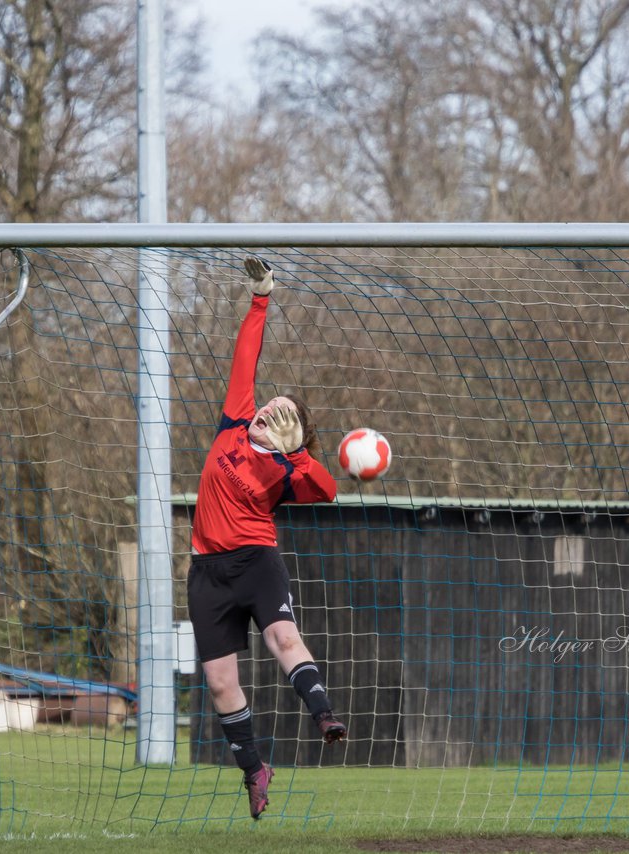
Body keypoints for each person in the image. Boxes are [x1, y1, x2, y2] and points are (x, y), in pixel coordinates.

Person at [188, 256, 345, 821]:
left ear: (291, 433)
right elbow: (245, 358)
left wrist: (298, 450)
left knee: (283, 636)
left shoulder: (287, 470)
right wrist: (261, 298)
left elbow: (327, 490)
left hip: (255, 562)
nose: (268, 413)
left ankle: (324, 714)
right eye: (269, 409)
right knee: (221, 683)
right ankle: (254, 770)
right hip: (206, 572)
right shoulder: (235, 418)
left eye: (282, 415)